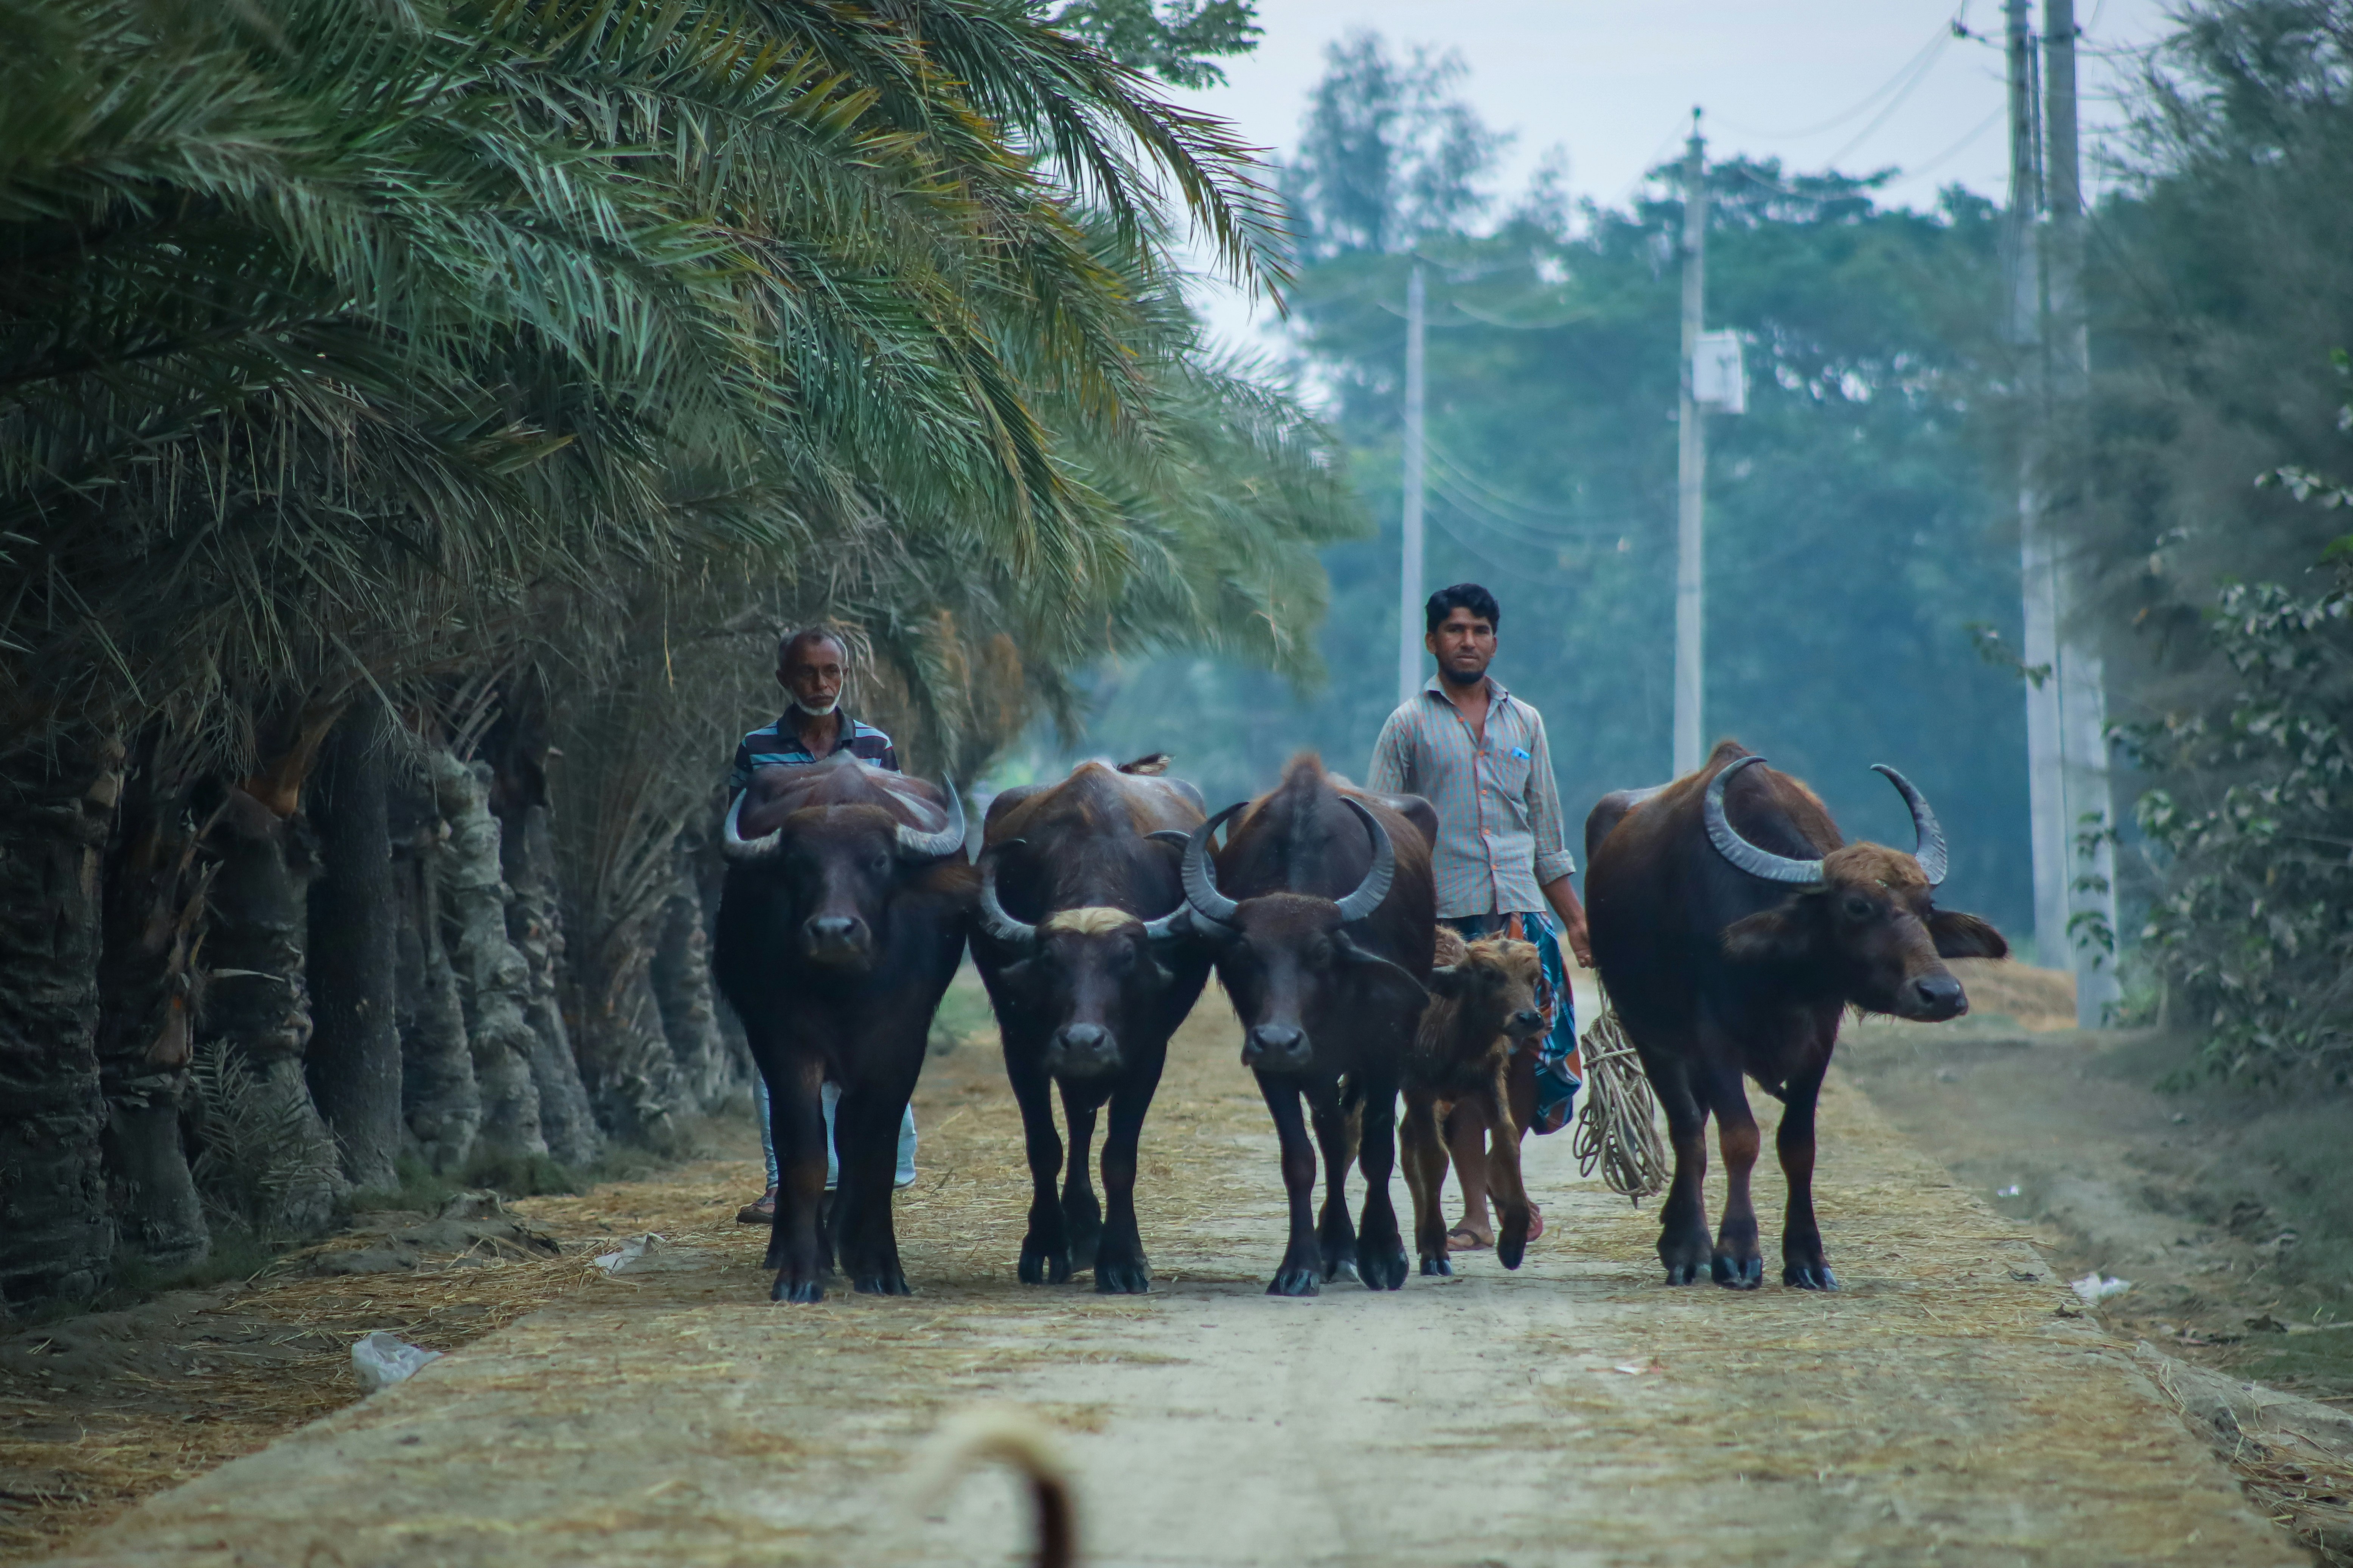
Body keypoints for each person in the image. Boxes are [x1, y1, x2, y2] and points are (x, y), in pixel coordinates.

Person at [1367, 583, 1594, 1254]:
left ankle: (1504, 1171)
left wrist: (1575, 922)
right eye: (1455, 629)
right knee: (1463, 1070)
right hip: (1444, 927)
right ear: (1433, 640)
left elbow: (1547, 835)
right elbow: (1384, 832)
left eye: (1481, 629)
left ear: (1495, 640)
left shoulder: (1525, 720)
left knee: (1528, 1060)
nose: (1468, 640)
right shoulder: (1406, 724)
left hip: (1521, 919)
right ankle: (1473, 1212)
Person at [728, 628, 919, 1225]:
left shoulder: (876, 745)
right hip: (787, 923)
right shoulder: (757, 747)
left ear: (846, 674)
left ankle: (876, 1173)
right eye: (808, 673)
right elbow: (744, 833)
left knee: (870, 1042)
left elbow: (897, 833)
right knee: (781, 1051)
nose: (821, 684)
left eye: (832, 671)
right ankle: (784, 1182)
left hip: (861, 925)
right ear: (785, 678)